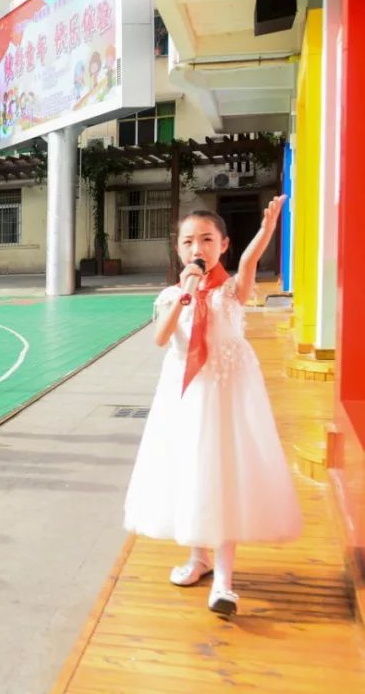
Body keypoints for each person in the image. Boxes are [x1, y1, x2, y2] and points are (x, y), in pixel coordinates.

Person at [123, 197, 303, 617]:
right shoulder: (172, 293)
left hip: (228, 397)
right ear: (179, 249)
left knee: (224, 472)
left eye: (206, 239)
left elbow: (251, 258)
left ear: (223, 244)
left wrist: (268, 229)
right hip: (185, 398)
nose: (196, 247)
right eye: (188, 241)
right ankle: (198, 557)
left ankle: (224, 579)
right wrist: (185, 293)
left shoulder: (233, 287)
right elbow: (161, 338)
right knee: (191, 469)